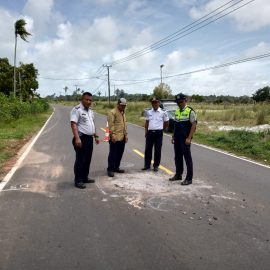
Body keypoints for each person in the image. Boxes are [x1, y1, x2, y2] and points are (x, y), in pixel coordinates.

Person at [70, 92, 99, 189]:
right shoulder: (77, 110)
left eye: (90, 100)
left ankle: (85, 177)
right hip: (81, 138)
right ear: (82, 99)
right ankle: (78, 180)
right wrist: (77, 138)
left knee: (87, 159)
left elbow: (92, 124)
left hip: (89, 138)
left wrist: (95, 135)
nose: (88, 101)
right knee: (80, 160)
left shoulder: (90, 111)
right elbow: (73, 124)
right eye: (86, 99)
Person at [169, 93, 197, 185]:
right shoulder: (177, 111)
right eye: (178, 102)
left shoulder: (190, 111)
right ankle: (178, 174)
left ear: (185, 101)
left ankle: (189, 179)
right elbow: (175, 125)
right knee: (177, 157)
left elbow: (194, 125)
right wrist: (173, 136)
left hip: (185, 139)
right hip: (177, 138)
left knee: (187, 158)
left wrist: (189, 138)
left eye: (181, 101)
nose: (179, 103)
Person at [142, 97, 169, 172]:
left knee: (157, 150)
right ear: (151, 103)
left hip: (158, 134)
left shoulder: (163, 112)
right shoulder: (149, 112)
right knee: (148, 150)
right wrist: (146, 132)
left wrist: (160, 129)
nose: (154, 104)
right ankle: (147, 165)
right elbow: (147, 122)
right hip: (150, 133)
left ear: (159, 103)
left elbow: (166, 123)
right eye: (153, 102)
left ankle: (156, 166)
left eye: (156, 102)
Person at [107, 98, 128, 177]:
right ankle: (110, 169)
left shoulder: (123, 113)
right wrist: (112, 134)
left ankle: (116, 167)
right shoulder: (112, 112)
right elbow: (111, 124)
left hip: (122, 137)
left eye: (124, 106)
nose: (123, 107)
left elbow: (124, 125)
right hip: (115, 137)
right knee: (112, 154)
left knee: (120, 153)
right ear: (118, 104)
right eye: (122, 105)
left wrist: (126, 135)